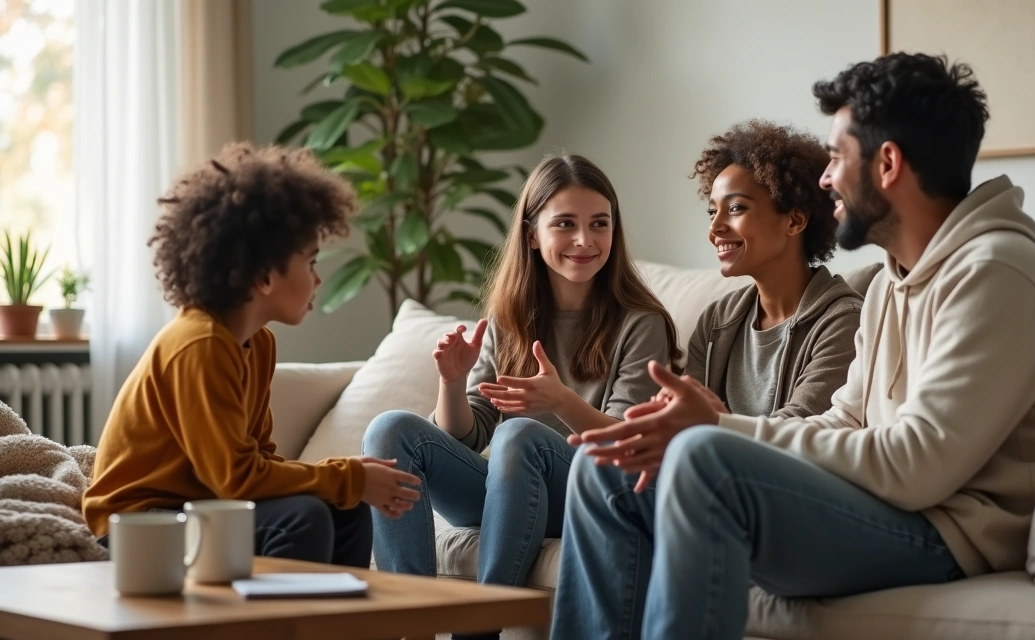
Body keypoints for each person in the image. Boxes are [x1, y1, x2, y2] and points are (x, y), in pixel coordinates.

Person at [552, 53, 1035, 639]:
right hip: (882, 509)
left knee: (703, 460)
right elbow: (845, 418)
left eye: (837, 156)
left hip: (949, 536)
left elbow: (916, 470)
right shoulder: (894, 281)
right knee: (599, 468)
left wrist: (718, 428)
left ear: (887, 163)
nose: (826, 177)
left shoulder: (999, 273)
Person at [362, 154, 681, 640]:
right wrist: (453, 382)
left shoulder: (641, 322)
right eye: (565, 224)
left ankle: (478, 630)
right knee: (389, 430)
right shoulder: (510, 317)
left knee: (520, 435)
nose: (585, 240)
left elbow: (624, 448)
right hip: (509, 491)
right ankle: (412, 627)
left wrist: (559, 402)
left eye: (600, 224)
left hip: (586, 491)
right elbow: (463, 438)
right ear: (532, 234)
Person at [83, 143, 421, 568]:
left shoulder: (257, 343)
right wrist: (349, 475)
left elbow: (257, 459)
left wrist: (346, 487)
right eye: (311, 262)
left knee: (346, 510)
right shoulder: (199, 344)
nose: (318, 279)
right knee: (303, 518)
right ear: (264, 276)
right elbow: (236, 479)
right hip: (136, 526)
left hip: (199, 509)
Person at [678, 119, 860, 432]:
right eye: (712, 212)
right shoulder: (716, 322)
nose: (715, 227)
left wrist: (717, 423)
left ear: (794, 221)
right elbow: (683, 421)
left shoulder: (843, 321)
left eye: (735, 208)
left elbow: (801, 427)